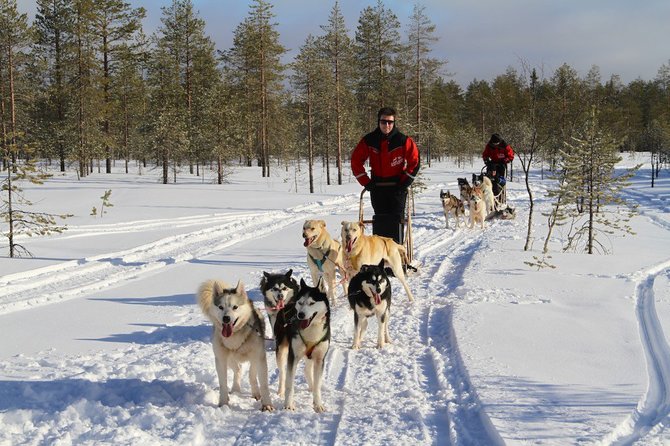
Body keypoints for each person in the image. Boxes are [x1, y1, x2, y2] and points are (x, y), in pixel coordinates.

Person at [351, 107, 420, 245]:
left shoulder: (403, 140)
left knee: (396, 221)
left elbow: (415, 161)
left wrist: (404, 182)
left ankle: (397, 255)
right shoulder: (369, 140)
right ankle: (380, 257)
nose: (387, 125)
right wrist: (367, 182)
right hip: (377, 187)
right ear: (378, 122)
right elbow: (356, 161)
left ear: (394, 123)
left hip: (397, 187)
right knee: (381, 221)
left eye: (390, 122)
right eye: (383, 122)